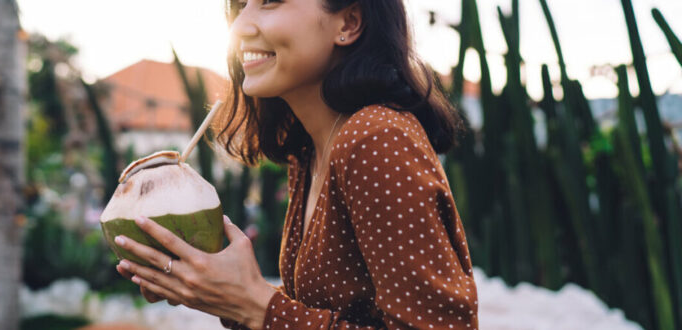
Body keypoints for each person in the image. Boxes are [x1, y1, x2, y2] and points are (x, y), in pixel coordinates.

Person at [114, 0, 479, 328]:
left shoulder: (376, 139)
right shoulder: (311, 150)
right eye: (240, 4)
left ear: (349, 23)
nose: (240, 25)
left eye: (270, 1)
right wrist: (222, 296)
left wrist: (257, 306)